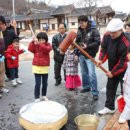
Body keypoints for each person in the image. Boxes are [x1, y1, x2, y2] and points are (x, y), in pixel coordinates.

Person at [98, 18, 128, 115]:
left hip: (124, 69)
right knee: (110, 87)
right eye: (110, 31)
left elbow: (123, 61)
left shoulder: (126, 42)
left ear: (120, 30)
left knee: (126, 90)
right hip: (112, 66)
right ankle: (109, 107)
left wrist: (113, 73)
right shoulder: (107, 36)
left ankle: (126, 111)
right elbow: (104, 49)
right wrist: (100, 60)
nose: (111, 34)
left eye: (114, 32)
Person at [75, 15, 100, 101]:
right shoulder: (79, 30)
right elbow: (77, 42)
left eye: (82, 22)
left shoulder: (94, 30)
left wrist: (87, 46)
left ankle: (95, 92)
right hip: (81, 54)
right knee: (84, 72)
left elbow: (98, 42)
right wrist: (76, 53)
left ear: (86, 22)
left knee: (92, 74)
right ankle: (86, 87)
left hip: (90, 55)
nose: (80, 24)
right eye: (79, 23)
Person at [28, 32, 52, 102]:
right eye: (40, 40)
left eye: (43, 40)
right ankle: (36, 97)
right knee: (37, 83)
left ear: (46, 40)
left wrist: (39, 44)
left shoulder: (48, 45)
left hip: (45, 67)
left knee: (45, 83)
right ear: (38, 40)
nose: (41, 41)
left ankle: (44, 95)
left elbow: (47, 49)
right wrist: (32, 42)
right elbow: (30, 49)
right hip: (36, 67)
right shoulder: (36, 45)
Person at [0, 15, 19, 81]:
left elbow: (16, 38)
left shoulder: (11, 33)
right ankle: (8, 77)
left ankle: (13, 77)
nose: (0, 26)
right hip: (1, 55)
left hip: (9, 54)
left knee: (11, 67)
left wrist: (13, 46)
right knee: (3, 68)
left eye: (1, 24)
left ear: (5, 24)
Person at [118, 46, 130, 124]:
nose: (127, 55)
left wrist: (124, 115)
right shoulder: (128, 66)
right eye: (128, 53)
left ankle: (124, 116)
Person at [0, 31, 9, 98]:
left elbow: (2, 45)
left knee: (2, 72)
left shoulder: (1, 33)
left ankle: (1, 87)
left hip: (1, 56)